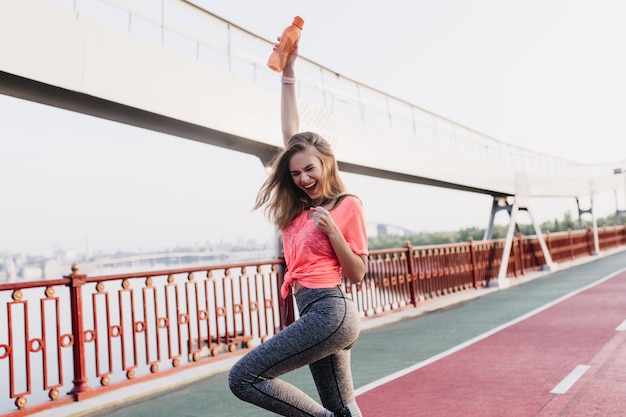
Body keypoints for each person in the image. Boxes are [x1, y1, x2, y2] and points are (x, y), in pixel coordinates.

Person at [228, 41, 368, 417]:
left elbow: (357, 272)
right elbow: (291, 135)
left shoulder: (345, 205)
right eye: (295, 172)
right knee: (342, 405)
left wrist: (334, 232)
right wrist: (288, 75)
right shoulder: (300, 207)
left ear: (326, 164)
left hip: (331, 310)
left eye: (310, 169)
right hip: (311, 312)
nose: (304, 177)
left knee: (243, 378)